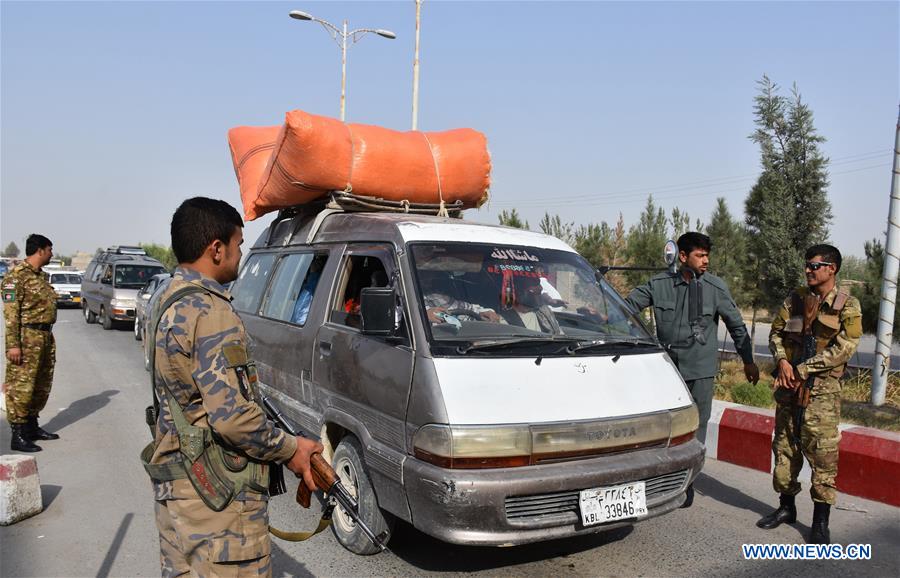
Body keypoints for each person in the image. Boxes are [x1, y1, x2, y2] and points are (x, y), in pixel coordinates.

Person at [142, 197, 322, 577]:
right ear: (217, 248)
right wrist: (290, 449)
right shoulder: (210, 310)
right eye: (239, 244)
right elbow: (231, 418)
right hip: (216, 505)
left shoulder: (166, 299)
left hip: (179, 490)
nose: (241, 255)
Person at [626, 232, 759, 507]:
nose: (705, 261)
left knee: (696, 427)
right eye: (700, 255)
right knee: (662, 425)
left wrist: (748, 360)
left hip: (700, 371)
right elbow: (624, 310)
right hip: (666, 372)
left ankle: (687, 483)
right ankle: (658, 478)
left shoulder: (715, 287)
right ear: (683, 256)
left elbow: (736, 326)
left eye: (707, 255)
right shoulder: (659, 285)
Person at [757, 244, 861, 544]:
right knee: (785, 450)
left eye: (814, 265)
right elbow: (775, 334)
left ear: (832, 269)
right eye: (807, 264)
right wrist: (783, 361)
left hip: (822, 395)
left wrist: (803, 369)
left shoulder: (848, 306)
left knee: (824, 457)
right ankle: (786, 508)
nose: (808, 270)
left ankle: (820, 522)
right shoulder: (795, 299)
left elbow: (844, 349)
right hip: (789, 390)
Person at [2, 234, 60, 452]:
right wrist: (13, 345)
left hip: (44, 337)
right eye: (50, 249)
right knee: (21, 387)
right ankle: (18, 434)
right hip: (27, 338)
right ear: (40, 250)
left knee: (40, 384)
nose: (52, 253)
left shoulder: (41, 276)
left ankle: (32, 427)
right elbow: (11, 315)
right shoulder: (15, 277)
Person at [419, 269, 501, 324]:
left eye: (429, 275)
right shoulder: (408, 300)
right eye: (422, 275)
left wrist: (485, 312)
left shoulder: (436, 298)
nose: (427, 279)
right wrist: (423, 315)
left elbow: (469, 308)